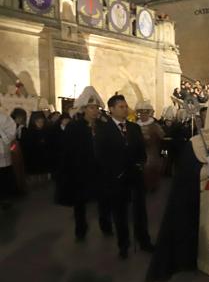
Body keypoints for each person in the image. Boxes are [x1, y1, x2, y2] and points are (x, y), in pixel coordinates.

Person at [147, 70, 209, 282]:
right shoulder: (195, 143)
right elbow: (186, 174)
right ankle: (202, 263)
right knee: (204, 232)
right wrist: (206, 170)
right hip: (201, 196)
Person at [95, 94, 153, 259]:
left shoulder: (134, 128)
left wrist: (140, 163)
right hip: (117, 179)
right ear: (111, 109)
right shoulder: (104, 131)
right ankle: (123, 245)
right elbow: (100, 155)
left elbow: (141, 151)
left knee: (140, 211)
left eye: (126, 106)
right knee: (120, 213)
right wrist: (114, 172)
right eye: (121, 107)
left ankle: (144, 240)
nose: (125, 109)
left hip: (135, 176)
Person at [59, 87, 113, 241]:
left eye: (97, 107)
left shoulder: (103, 126)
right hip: (81, 171)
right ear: (84, 109)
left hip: (100, 170)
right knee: (80, 202)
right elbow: (68, 150)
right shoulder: (74, 127)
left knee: (104, 200)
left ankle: (106, 225)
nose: (95, 110)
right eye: (91, 107)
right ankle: (80, 229)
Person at [135, 101, 165, 192]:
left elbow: (162, 135)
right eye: (141, 114)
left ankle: (152, 186)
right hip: (139, 151)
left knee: (151, 169)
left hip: (152, 151)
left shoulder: (154, 125)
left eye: (145, 113)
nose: (143, 115)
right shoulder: (135, 125)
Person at [0, 110, 17, 210]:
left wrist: (1, 133)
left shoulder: (3, 117)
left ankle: (5, 198)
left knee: (4, 177)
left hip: (2, 150)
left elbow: (11, 132)